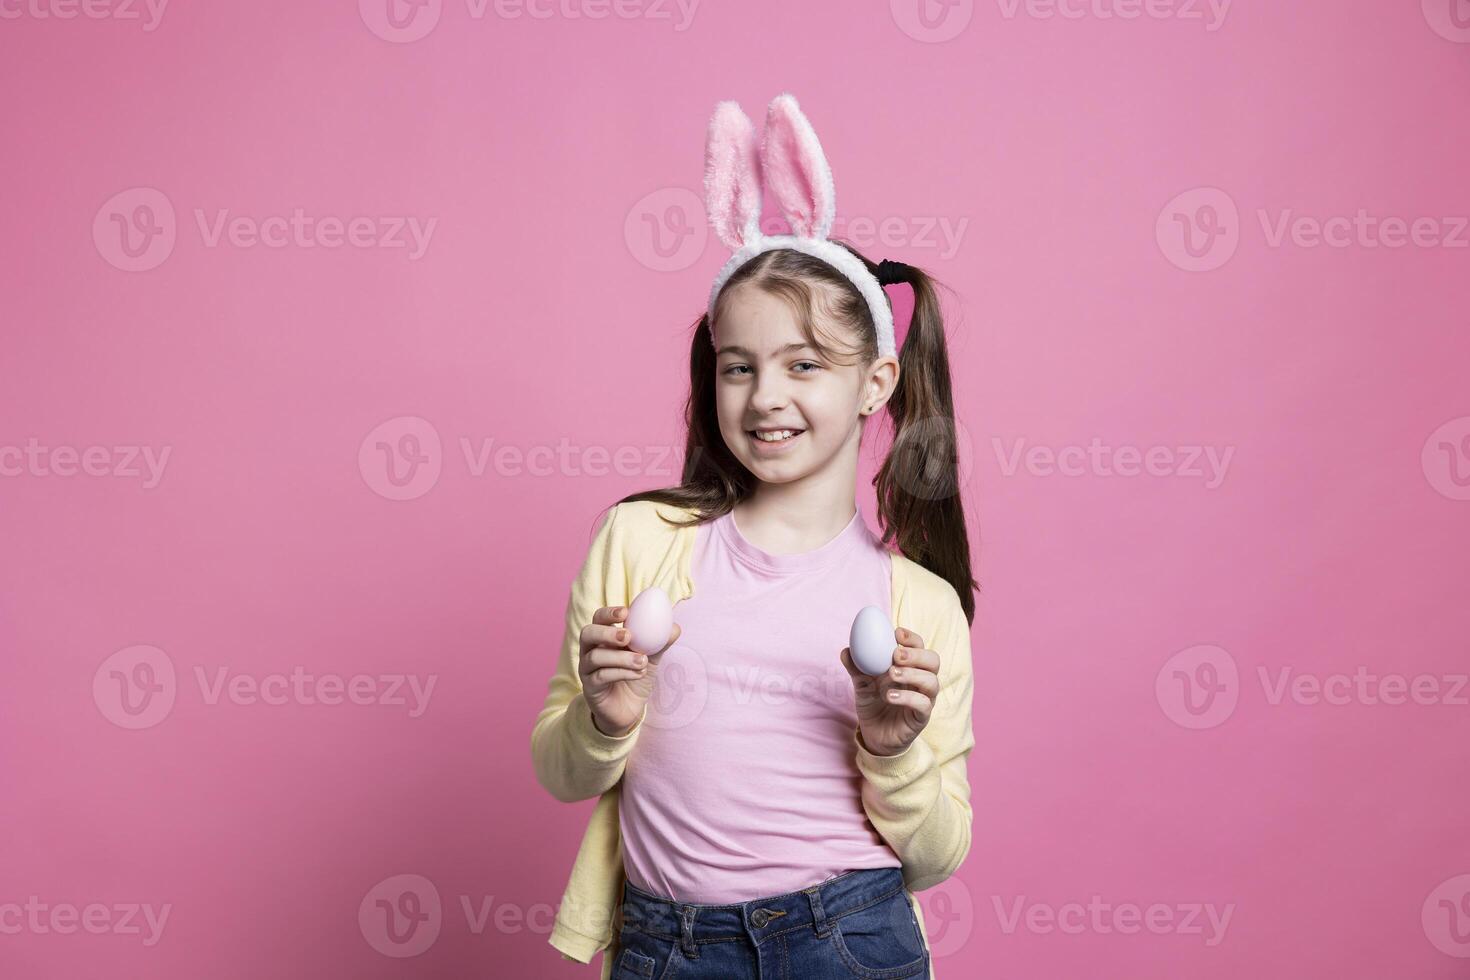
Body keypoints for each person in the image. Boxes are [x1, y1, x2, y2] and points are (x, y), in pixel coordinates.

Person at [531, 92, 977, 980]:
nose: (765, 397)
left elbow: (934, 856)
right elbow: (563, 771)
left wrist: (891, 749)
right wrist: (604, 717)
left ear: (875, 382)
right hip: (669, 946)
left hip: (846, 938)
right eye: (740, 367)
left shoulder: (916, 605)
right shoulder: (641, 539)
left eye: (804, 364)